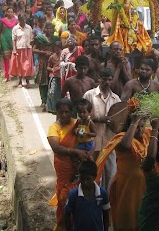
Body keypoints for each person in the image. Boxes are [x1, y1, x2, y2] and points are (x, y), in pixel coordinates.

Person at [95, 114, 151, 231]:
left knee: (140, 217)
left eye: (142, 126)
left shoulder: (145, 138)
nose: (140, 130)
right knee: (126, 218)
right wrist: (134, 120)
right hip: (126, 187)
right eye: (137, 127)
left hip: (142, 186)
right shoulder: (121, 138)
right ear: (130, 126)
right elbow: (126, 145)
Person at [48, 99, 91, 231]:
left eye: (67, 112)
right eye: (61, 112)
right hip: (63, 168)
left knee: (81, 197)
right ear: (57, 112)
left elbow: (87, 139)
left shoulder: (77, 123)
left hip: (78, 166)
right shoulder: (54, 128)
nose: (64, 115)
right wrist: (75, 152)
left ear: (72, 112)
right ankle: (64, 225)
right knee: (64, 196)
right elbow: (56, 147)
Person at [83, 67, 121, 191]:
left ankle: (106, 202)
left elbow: (120, 121)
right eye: (104, 79)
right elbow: (82, 118)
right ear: (99, 79)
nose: (107, 82)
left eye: (110, 80)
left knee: (110, 174)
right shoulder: (89, 95)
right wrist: (99, 119)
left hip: (109, 144)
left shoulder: (116, 99)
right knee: (92, 175)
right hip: (92, 144)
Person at [65, 160, 110, 231]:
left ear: (95, 177)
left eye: (88, 179)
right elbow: (67, 214)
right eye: (82, 179)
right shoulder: (73, 194)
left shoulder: (102, 193)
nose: (85, 182)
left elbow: (106, 214)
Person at [33, 22, 59, 111]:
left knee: (52, 80)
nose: (49, 30)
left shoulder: (55, 39)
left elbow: (58, 48)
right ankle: (43, 100)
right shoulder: (39, 38)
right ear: (45, 29)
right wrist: (44, 52)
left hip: (53, 61)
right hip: (43, 61)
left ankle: (50, 101)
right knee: (43, 81)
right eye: (47, 28)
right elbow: (33, 49)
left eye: (50, 28)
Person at [10, 13, 34, 87]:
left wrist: (31, 41)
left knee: (27, 65)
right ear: (19, 20)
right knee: (19, 65)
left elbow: (31, 36)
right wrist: (14, 49)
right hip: (19, 49)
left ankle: (27, 80)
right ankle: (20, 81)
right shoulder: (15, 28)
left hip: (27, 48)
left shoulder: (29, 28)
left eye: (24, 19)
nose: (23, 21)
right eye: (22, 20)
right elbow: (14, 40)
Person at [0, 7, 18, 82]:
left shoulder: (16, 21)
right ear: (6, 12)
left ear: (13, 13)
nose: (10, 13)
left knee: (14, 57)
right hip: (4, 40)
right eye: (9, 12)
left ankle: (14, 72)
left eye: (11, 12)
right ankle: (7, 75)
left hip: (13, 41)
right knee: (6, 58)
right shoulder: (2, 21)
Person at [46, 41, 63, 115]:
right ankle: (53, 108)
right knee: (52, 92)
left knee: (61, 93)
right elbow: (48, 67)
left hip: (62, 76)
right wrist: (52, 69)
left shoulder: (64, 55)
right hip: (54, 76)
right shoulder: (52, 57)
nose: (57, 50)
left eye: (58, 48)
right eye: (55, 48)